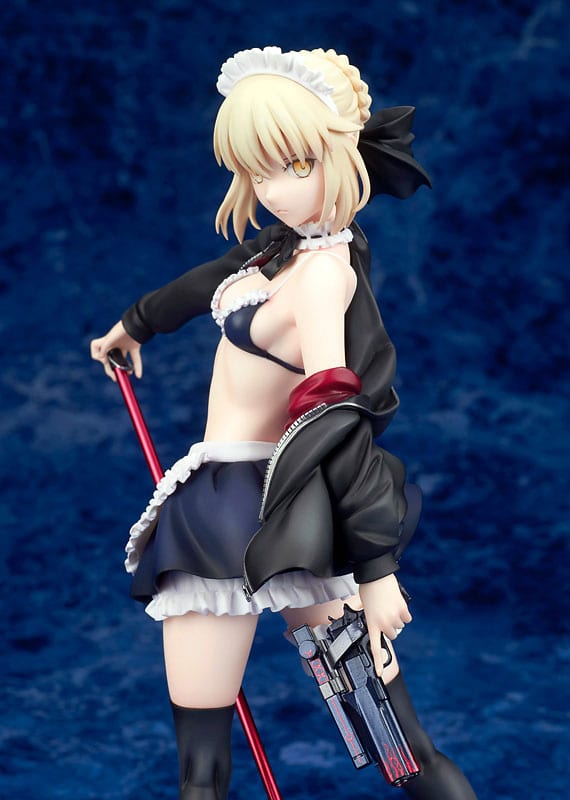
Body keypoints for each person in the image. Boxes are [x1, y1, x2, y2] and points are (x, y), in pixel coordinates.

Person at [91, 46, 477, 800]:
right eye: (258, 170)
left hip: (249, 511)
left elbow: (337, 417)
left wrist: (378, 571)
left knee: (385, 742)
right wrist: (135, 325)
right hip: (265, 512)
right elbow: (210, 282)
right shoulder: (285, 251)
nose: (272, 189)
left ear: (341, 156)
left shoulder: (325, 278)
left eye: (295, 165)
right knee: (364, 742)